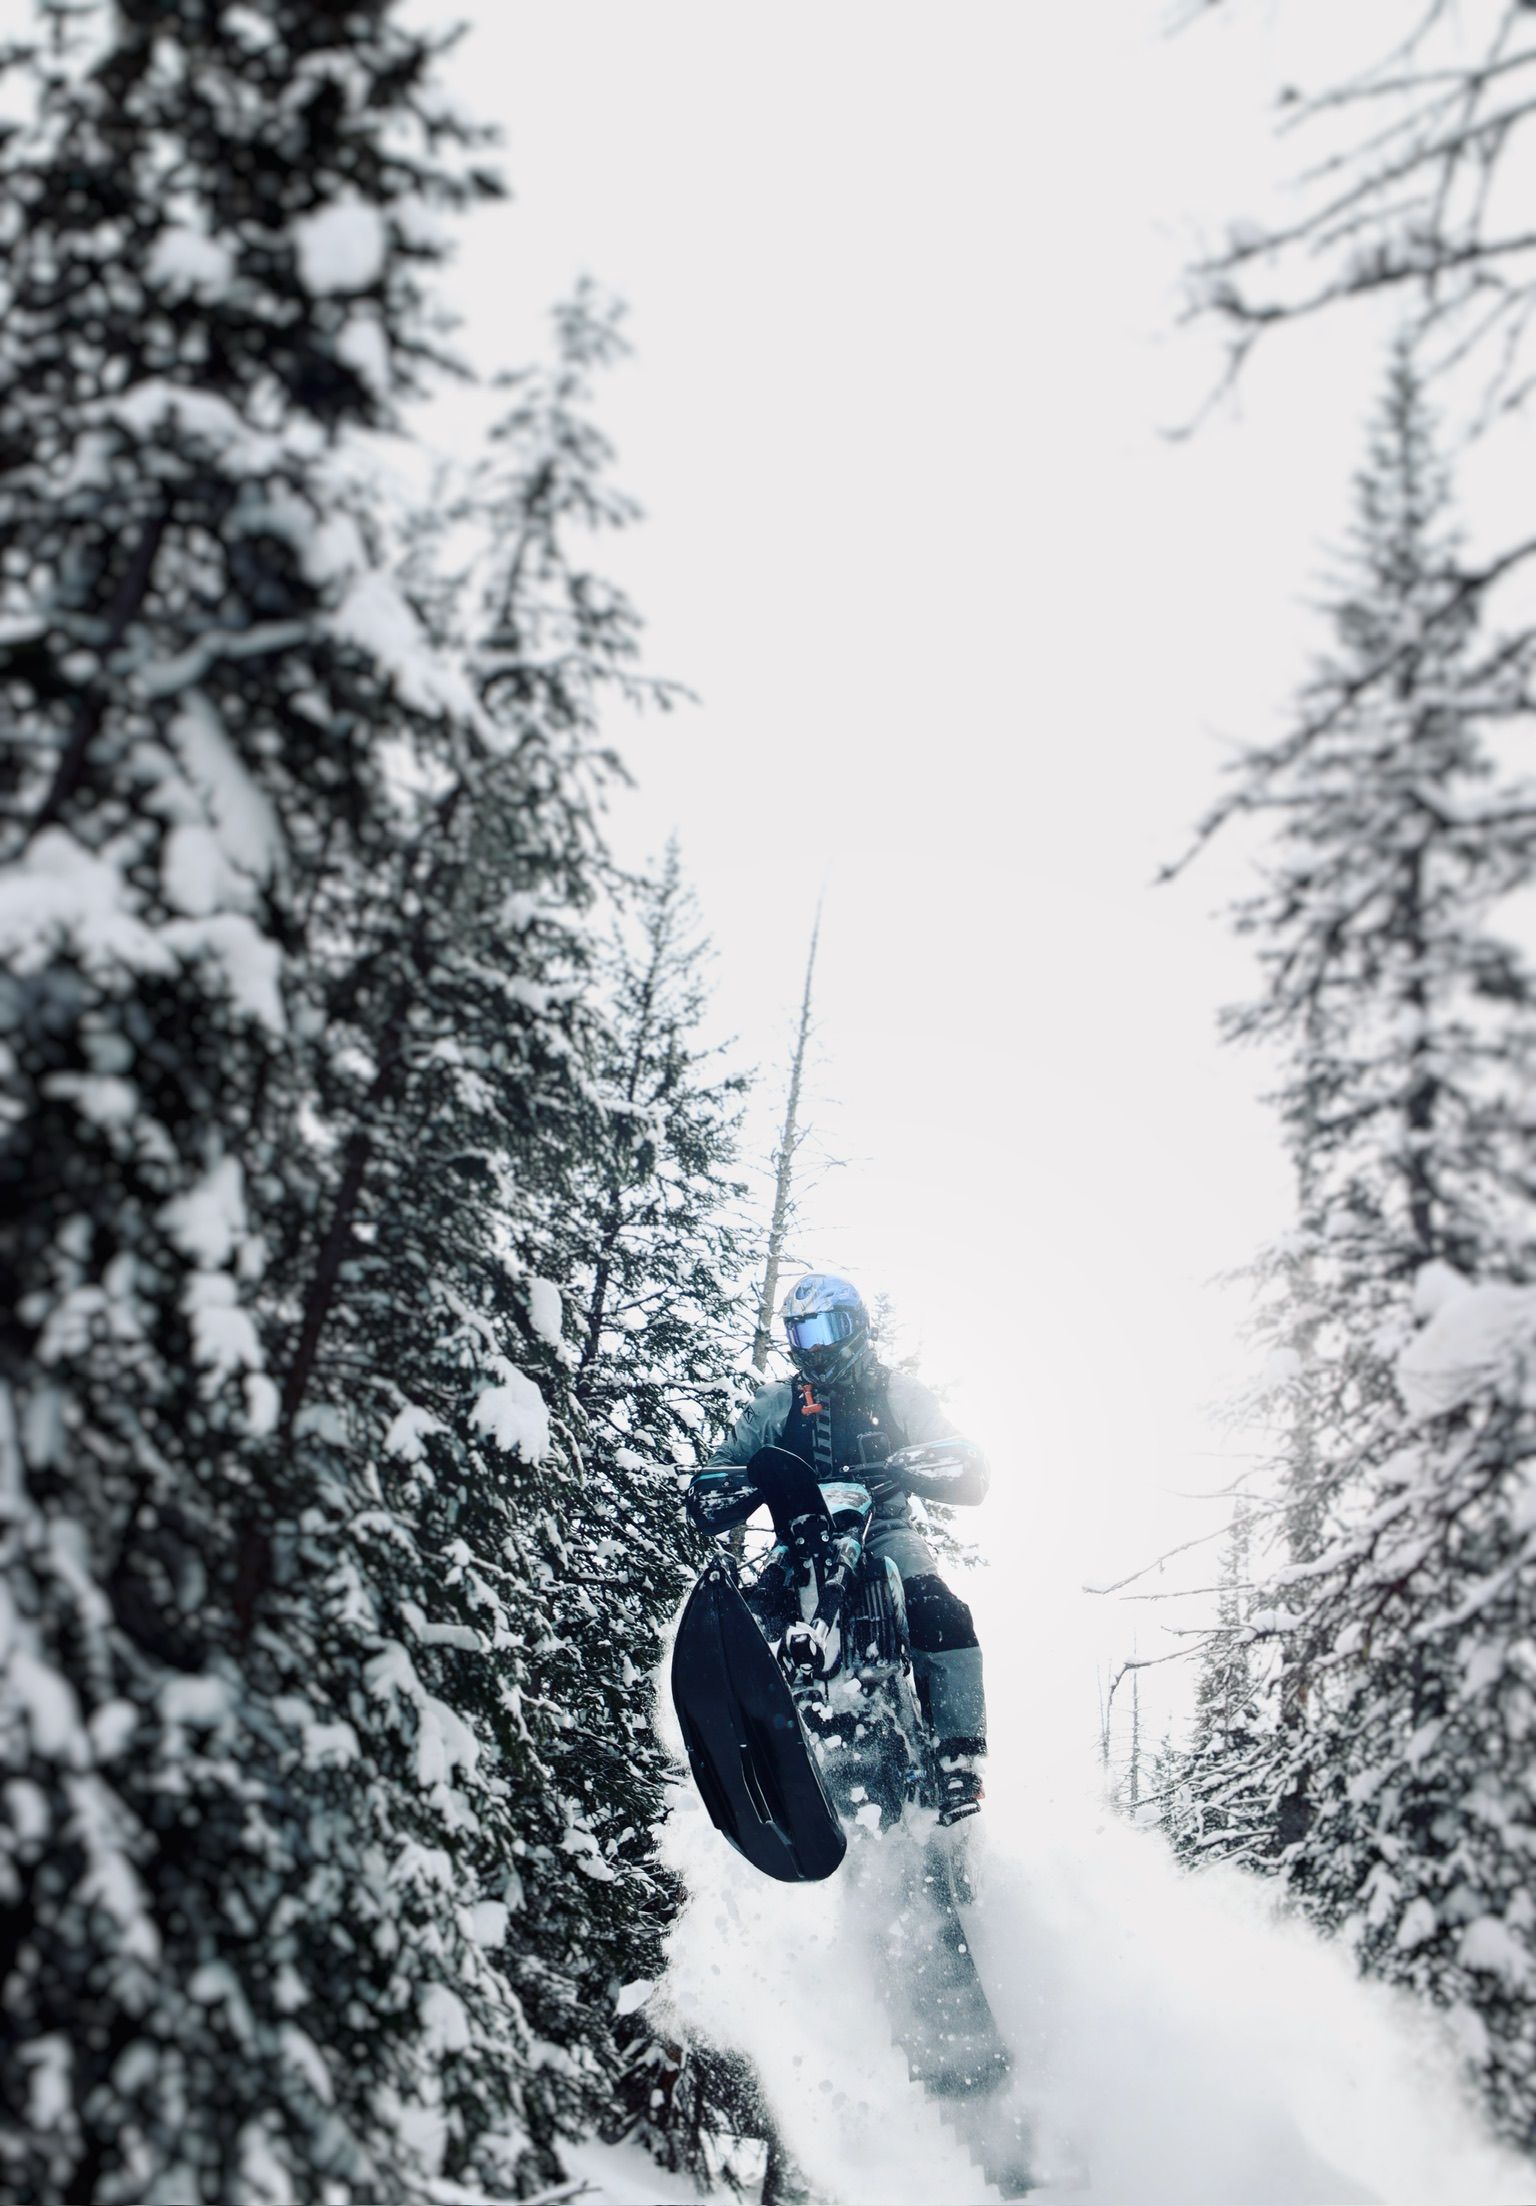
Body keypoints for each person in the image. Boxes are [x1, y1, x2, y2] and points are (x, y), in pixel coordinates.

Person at [686, 1271, 989, 1821]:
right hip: (798, 1537)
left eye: (829, 1328)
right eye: (804, 1333)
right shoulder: (776, 1402)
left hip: (885, 1530)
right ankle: (744, 1754)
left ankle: (959, 1760)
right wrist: (725, 1483)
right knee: (749, 1621)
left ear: (856, 1327)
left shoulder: (898, 1393)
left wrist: (930, 1461)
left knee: (942, 1611)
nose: (818, 1345)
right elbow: (725, 1463)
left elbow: (953, 1447)